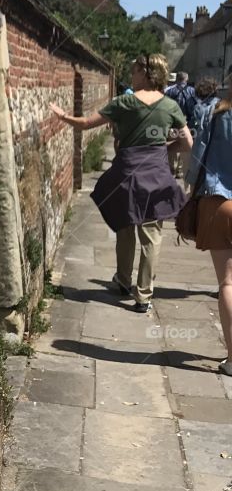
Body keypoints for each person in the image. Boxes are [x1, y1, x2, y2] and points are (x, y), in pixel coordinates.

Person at [50, 54, 192, 311]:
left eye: (134, 71)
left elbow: (84, 124)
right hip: (156, 176)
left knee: (125, 229)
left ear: (147, 74)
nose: (130, 75)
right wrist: (162, 149)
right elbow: (187, 143)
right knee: (151, 237)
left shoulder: (124, 102)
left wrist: (63, 117)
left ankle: (124, 281)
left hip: (127, 176)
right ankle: (143, 296)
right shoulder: (170, 106)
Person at [187, 76, 232, 375]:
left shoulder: (214, 112)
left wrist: (191, 190)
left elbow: (197, 158)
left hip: (218, 200)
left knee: (228, 283)